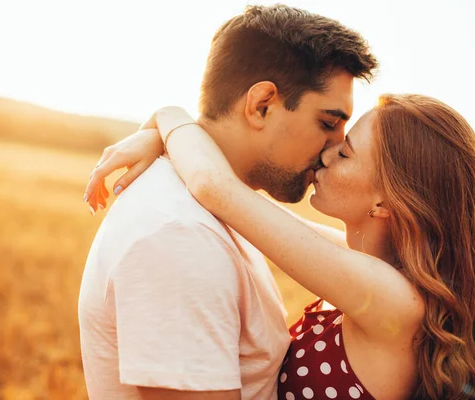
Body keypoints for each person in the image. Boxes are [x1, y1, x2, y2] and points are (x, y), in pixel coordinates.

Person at [85, 97, 475, 399]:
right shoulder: (374, 273)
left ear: (384, 202)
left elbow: (216, 189)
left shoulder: (392, 298)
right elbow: (254, 216)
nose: (325, 156)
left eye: (345, 153)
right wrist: (163, 141)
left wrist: (168, 116)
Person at [78, 4, 377, 399]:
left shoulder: (219, 217)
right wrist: (168, 123)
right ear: (261, 104)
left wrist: (168, 124)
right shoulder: (181, 239)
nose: (332, 151)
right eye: (327, 123)